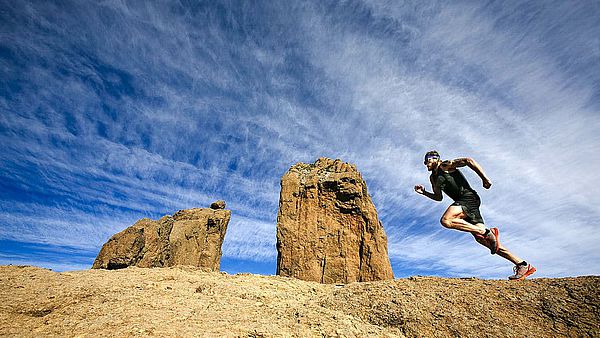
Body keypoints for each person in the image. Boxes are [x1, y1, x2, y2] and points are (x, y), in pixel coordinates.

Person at [414, 150, 536, 280]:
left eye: (427, 161)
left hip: (468, 198)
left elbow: (468, 161)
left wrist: (484, 178)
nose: (426, 164)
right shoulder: (433, 178)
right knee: (483, 239)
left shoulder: (445, 165)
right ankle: (522, 264)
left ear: (435, 159)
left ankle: (484, 230)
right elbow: (438, 197)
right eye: (425, 162)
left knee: (446, 220)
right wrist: (424, 192)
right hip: (463, 205)